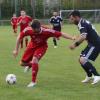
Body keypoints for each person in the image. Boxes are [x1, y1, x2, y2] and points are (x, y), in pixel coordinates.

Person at [13, 19, 75, 87]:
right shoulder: (29, 30)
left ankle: (33, 81)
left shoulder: (47, 31)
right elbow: (19, 37)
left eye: (34, 29)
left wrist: (72, 37)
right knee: (22, 63)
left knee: (35, 59)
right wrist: (16, 50)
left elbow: (61, 34)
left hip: (42, 47)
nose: (33, 31)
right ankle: (32, 65)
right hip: (31, 46)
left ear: (38, 28)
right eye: (32, 29)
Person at [69, 10, 100, 85]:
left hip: (95, 44)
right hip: (92, 43)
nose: (71, 20)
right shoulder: (82, 22)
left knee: (83, 59)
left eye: (72, 19)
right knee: (80, 59)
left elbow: (83, 37)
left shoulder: (81, 23)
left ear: (76, 17)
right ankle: (89, 76)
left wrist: (75, 44)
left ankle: (97, 75)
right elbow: (85, 35)